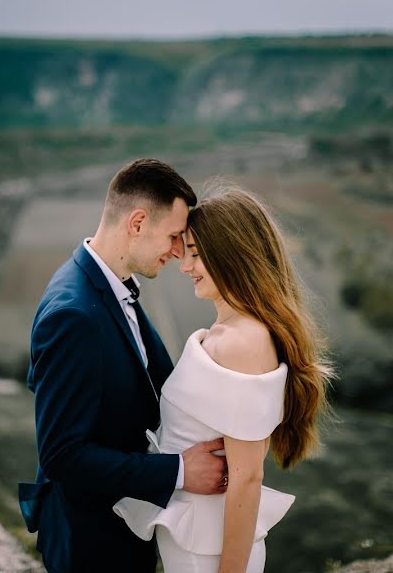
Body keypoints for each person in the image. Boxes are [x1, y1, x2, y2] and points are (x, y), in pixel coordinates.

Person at [18, 158, 230, 573]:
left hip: (120, 527)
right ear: (136, 223)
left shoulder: (111, 285)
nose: (176, 251)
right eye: (173, 236)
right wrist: (179, 472)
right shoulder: (74, 315)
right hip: (90, 542)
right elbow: (62, 455)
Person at [113, 186, 334, 572]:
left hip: (211, 555)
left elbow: (247, 476)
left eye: (196, 254)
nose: (185, 267)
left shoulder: (242, 342)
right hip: (196, 545)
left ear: (232, 256)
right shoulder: (228, 333)